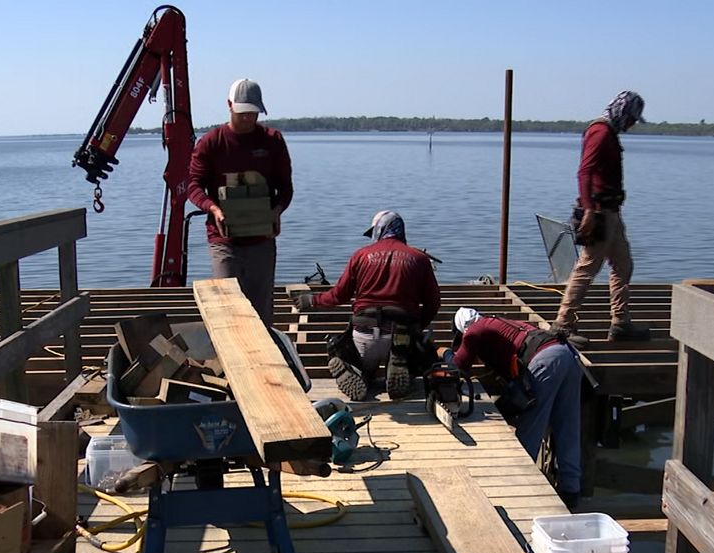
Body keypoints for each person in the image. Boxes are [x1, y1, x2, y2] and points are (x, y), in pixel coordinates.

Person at [441, 307, 583, 508]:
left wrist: (445, 353)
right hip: (568, 354)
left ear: (461, 330)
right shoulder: (497, 322)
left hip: (545, 361)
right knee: (567, 424)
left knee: (531, 427)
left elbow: (457, 366)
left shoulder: (473, 331)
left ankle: (518, 485)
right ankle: (571, 490)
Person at [293, 211, 441, 401]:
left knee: (361, 368)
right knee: (416, 354)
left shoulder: (361, 255)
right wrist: (418, 326)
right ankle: (400, 368)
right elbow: (433, 302)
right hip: (400, 336)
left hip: (363, 333)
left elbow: (339, 295)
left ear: (380, 230)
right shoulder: (419, 259)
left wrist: (312, 300)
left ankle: (358, 372)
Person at [187, 78, 293, 327]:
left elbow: (285, 188)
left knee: (261, 313)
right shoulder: (212, 143)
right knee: (227, 308)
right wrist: (214, 209)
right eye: (243, 112)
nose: (248, 118)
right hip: (224, 240)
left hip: (262, 240)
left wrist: (276, 211)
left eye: (253, 113)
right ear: (229, 105)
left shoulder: (272, 140)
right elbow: (193, 186)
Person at [554, 90, 651, 343]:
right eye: (631, 119)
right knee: (587, 268)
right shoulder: (600, 132)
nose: (631, 125)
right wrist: (588, 209)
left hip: (611, 213)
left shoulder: (609, 133)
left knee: (623, 265)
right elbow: (584, 171)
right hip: (598, 213)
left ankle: (621, 323)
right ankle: (563, 325)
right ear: (622, 112)